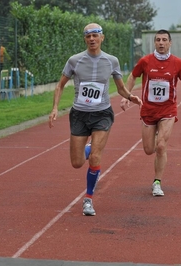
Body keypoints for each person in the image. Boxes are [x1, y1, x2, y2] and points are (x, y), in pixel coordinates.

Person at [48, 23, 142, 216]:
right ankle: (88, 148)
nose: (92, 39)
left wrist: (130, 96)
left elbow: (120, 87)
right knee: (76, 162)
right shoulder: (74, 61)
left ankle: (88, 199)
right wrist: (55, 108)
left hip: (102, 114)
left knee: (96, 158)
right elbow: (60, 86)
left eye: (95, 35)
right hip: (79, 115)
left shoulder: (112, 61)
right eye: (88, 36)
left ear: (102, 38)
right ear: (85, 39)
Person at [120, 29, 181, 197]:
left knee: (161, 145)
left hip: (168, 110)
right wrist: (127, 95)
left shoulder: (177, 63)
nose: (161, 43)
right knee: (149, 149)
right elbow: (133, 76)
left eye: (164, 40)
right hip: (148, 110)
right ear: (154, 43)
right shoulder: (145, 61)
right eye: (158, 40)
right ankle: (156, 137)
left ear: (170, 43)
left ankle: (157, 182)